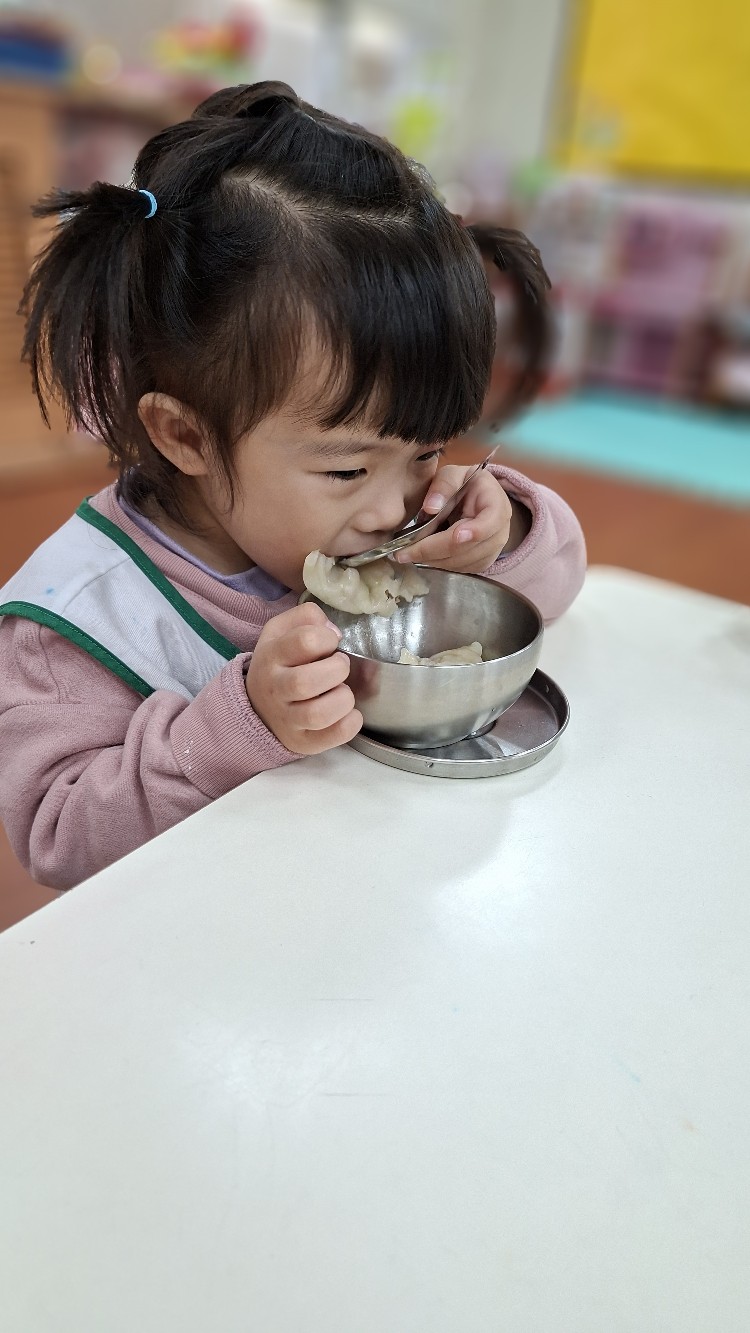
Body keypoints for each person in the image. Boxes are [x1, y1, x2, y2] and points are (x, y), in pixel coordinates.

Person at [0, 81, 585, 890]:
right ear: (186, 435)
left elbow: (552, 589)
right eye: (348, 468)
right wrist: (236, 724)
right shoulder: (79, 620)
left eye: (426, 452)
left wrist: (502, 532)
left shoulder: (376, 523)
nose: (396, 507)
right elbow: (58, 833)